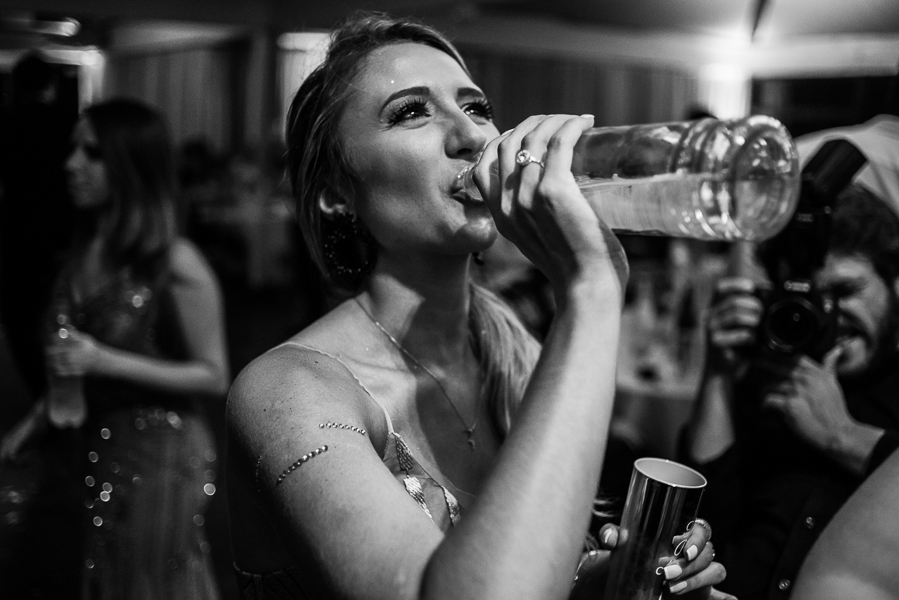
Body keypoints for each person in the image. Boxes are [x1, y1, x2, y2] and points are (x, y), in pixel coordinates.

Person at [226, 12, 728, 600]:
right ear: (338, 192)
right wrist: (590, 288)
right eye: (410, 112)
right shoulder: (285, 391)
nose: (471, 135)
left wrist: (603, 578)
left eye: (477, 108)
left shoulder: (514, 351)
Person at [1, 98, 229, 598]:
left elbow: (214, 375)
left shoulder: (174, 260)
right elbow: (72, 359)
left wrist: (103, 361)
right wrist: (32, 424)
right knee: (107, 577)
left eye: (92, 153)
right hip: (96, 444)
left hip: (161, 450)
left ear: (131, 166)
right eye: (72, 150)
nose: (71, 165)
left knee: (150, 581)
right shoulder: (83, 252)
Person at [682, 182, 899, 599]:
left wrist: (842, 434)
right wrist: (717, 374)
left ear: (895, 285)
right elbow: (698, 521)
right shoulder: (772, 374)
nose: (829, 314)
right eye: (812, 297)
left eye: (845, 292)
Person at [0, 51, 75, 399]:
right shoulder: (67, 125)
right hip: (62, 236)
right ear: (51, 84)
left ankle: (41, 389)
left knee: (20, 316)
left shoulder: (8, 124)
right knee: (60, 313)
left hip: (17, 234)